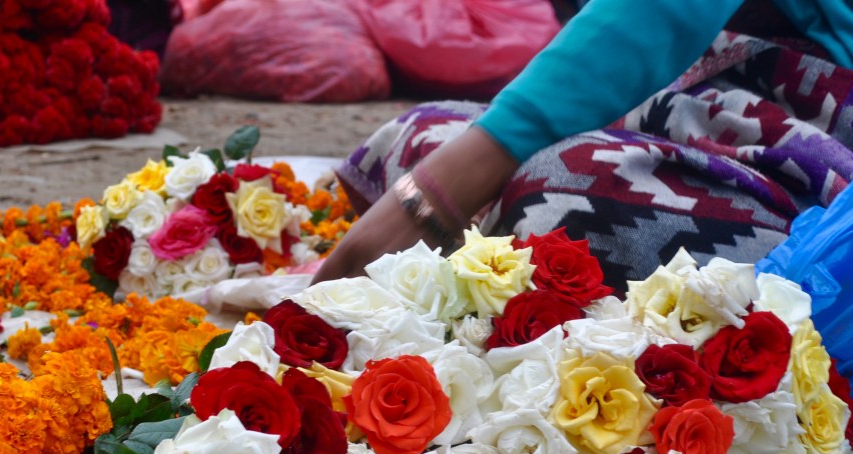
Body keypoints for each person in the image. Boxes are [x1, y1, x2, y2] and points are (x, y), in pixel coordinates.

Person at [313, 0, 853, 290]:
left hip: (824, 133)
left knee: (566, 195)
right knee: (420, 132)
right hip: (709, 94)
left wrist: (440, 193)